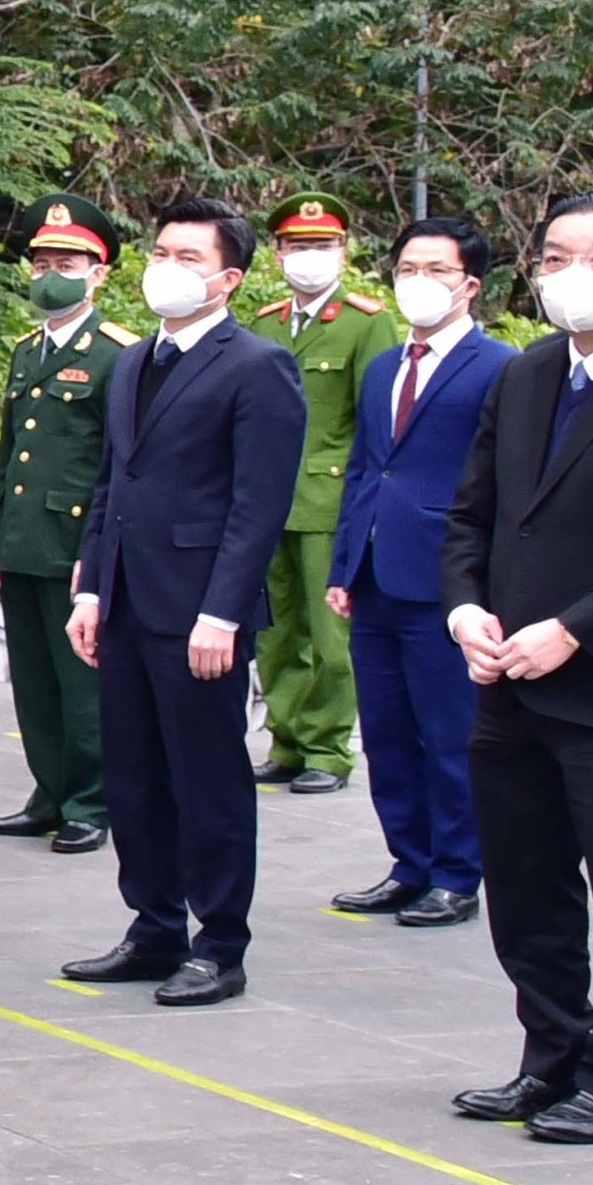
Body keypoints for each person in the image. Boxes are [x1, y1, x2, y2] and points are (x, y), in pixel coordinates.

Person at [63, 198, 305, 1006]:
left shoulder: (255, 365)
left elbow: (256, 504)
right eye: (160, 252)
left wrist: (222, 613)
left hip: (200, 610)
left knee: (206, 780)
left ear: (228, 278)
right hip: (128, 599)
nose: (167, 268)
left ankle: (219, 943)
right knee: (132, 776)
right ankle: (153, 926)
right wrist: (92, 583)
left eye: (188, 257)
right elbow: (111, 483)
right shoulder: (133, 359)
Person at [440, 190, 593, 1145]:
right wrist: (465, 606)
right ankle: (546, 1056)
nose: (573, 276)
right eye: (556, 257)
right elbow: (471, 510)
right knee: (524, 884)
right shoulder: (526, 374)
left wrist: (578, 629)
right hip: (507, 680)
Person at [325, 216, 510, 929]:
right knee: (386, 731)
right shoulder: (382, 367)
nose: (416, 283)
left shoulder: (497, 368)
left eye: (434, 271)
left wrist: (484, 584)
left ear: (468, 285)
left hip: (445, 582)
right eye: (406, 268)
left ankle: (457, 873)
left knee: (449, 733)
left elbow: (500, 482)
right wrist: (346, 561)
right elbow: (368, 468)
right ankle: (408, 863)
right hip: (375, 573)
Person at [0, 197, 131, 854]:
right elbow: (10, 448)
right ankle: (48, 792)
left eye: (66, 263)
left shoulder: (117, 354)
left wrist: (98, 556)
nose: (50, 274)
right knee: (34, 680)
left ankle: (91, 803)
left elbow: (117, 464)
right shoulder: (25, 350)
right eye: (41, 262)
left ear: (97, 273)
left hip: (74, 543)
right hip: (22, 536)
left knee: (82, 685)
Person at [244, 194, 402, 794]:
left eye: (323, 246)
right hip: (266, 499)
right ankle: (285, 740)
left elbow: (377, 422)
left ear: (343, 251)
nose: (310, 257)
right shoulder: (264, 321)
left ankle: (327, 750)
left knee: (330, 635)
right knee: (275, 631)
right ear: (279, 253)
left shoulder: (366, 320)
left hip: (331, 501)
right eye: (299, 246)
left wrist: (369, 510)